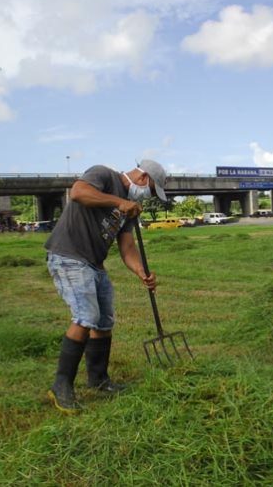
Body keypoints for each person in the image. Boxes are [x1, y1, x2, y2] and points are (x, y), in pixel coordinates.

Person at [44, 159, 167, 413]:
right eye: (153, 190)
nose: (150, 196)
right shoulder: (103, 175)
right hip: (69, 255)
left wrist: (141, 271)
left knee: (104, 321)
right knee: (86, 316)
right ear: (143, 179)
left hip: (94, 263)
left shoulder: (132, 208)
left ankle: (99, 380)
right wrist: (118, 202)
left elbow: (127, 246)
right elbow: (78, 193)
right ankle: (61, 385)